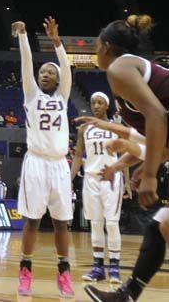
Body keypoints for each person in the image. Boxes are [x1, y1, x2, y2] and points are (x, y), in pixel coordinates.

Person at [82, 15, 169, 302]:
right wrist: (134, 165)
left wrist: (151, 174)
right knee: (161, 227)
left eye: (96, 47)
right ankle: (127, 296)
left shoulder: (120, 68)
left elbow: (158, 116)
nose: (96, 53)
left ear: (106, 47)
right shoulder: (131, 72)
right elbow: (160, 139)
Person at [12, 17, 74, 297]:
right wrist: (23, 37)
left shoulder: (62, 96)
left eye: (50, 72)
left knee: (62, 222)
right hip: (36, 163)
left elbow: (68, 70)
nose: (44, 74)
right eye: (42, 72)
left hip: (60, 165)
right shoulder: (31, 95)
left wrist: (57, 42)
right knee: (33, 221)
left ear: (59, 79)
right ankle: (25, 271)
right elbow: (26, 64)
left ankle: (64, 274)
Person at [71, 92, 129, 284]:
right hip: (91, 179)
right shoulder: (84, 129)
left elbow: (124, 157)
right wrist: (68, 179)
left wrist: (127, 182)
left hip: (111, 178)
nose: (95, 106)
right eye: (93, 102)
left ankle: (114, 268)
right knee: (95, 223)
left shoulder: (116, 127)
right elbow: (78, 156)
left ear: (106, 106)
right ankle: (98, 268)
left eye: (99, 103)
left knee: (111, 223)